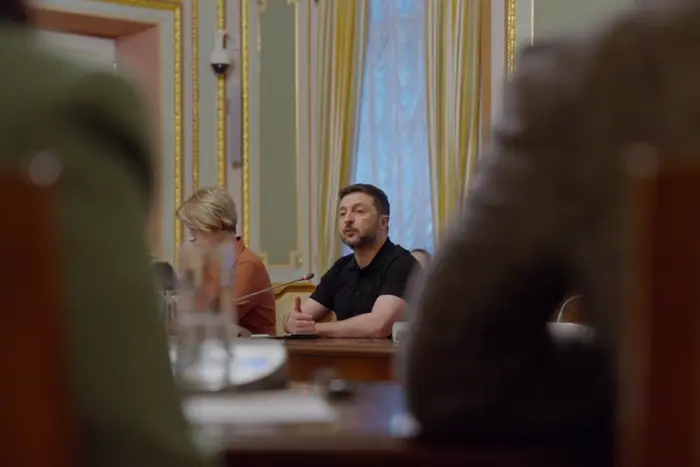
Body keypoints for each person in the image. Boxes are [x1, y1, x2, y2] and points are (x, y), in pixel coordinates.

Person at [396, 1, 700, 444]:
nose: (348, 218)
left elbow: (458, 372)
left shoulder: (603, 79)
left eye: (357, 210)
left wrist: (653, 384)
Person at [0, 1, 216, 465]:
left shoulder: (241, 264)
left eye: (196, 230)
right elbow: (135, 435)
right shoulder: (59, 100)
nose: (190, 239)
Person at [285, 184, 419, 338]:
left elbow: (378, 326)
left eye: (359, 211)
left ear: (383, 223)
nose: (347, 219)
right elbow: (301, 315)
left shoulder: (403, 263)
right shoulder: (340, 268)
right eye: (342, 213)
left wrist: (312, 328)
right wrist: (290, 322)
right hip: (345, 353)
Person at [177, 186, 276, 335]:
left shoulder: (247, 264)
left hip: (250, 348)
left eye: (195, 229)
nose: (192, 237)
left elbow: (213, 320)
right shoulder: (208, 263)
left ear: (216, 224)